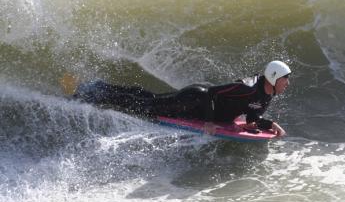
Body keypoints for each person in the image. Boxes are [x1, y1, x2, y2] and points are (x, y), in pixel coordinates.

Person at [70, 61, 291, 137]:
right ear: (273, 77)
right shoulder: (247, 87)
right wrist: (209, 122)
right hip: (194, 99)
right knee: (146, 105)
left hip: (196, 106)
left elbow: (253, 115)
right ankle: (95, 91)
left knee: (149, 98)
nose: (287, 83)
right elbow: (210, 93)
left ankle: (99, 88)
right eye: (285, 79)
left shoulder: (267, 93)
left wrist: (270, 125)